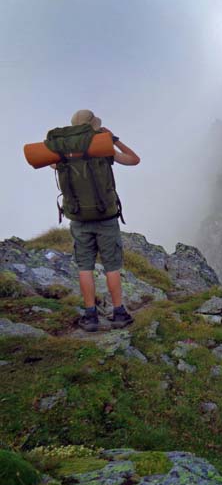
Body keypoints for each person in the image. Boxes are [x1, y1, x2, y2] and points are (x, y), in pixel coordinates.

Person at [54, 110, 141, 332]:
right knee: (111, 266)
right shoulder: (102, 149)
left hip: (78, 218)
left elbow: (51, 166)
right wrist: (115, 140)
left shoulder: (62, 153)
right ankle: (119, 313)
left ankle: (90, 316)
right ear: (93, 126)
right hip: (106, 217)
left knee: (85, 267)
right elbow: (134, 160)